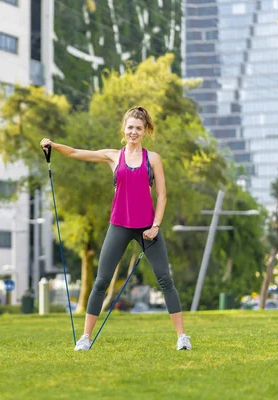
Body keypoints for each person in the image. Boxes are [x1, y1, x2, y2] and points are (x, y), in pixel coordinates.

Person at [39, 106, 192, 351]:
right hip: (119, 225)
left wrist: (156, 226)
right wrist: (53, 145)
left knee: (165, 279)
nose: (133, 132)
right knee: (101, 281)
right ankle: (85, 339)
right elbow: (77, 152)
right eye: (130, 127)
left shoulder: (153, 159)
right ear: (124, 129)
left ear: (145, 131)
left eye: (138, 128)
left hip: (147, 229)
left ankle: (182, 337)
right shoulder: (113, 156)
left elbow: (162, 196)